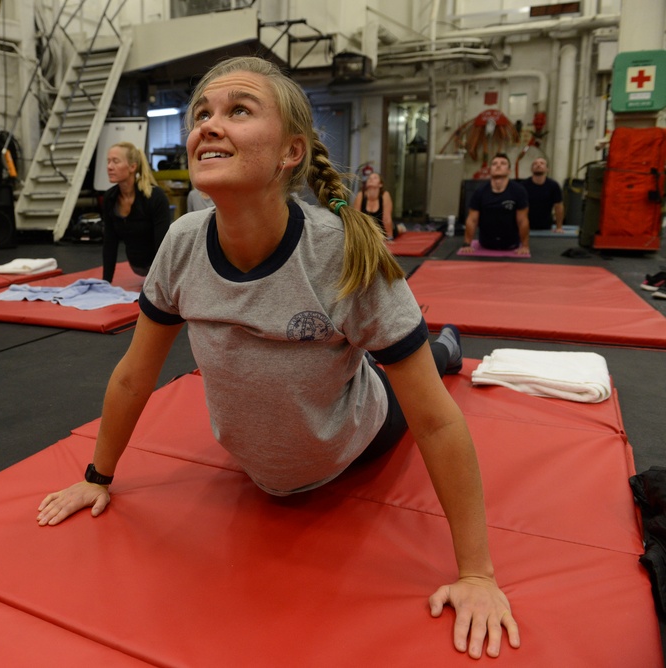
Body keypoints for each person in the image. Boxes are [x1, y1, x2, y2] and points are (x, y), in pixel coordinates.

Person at [37, 56, 519, 659]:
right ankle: (409, 349)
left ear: (291, 152)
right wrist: (96, 477)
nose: (209, 125)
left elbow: (437, 421)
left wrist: (477, 574)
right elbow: (136, 372)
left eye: (238, 110)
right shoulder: (183, 245)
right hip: (269, 454)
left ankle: (443, 347)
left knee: (419, 376)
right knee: (365, 358)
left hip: (355, 433)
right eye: (203, 114)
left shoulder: (339, 253)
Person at [101, 142, 172, 283]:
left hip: (161, 266)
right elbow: (109, 243)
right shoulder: (110, 198)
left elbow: (163, 245)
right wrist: (105, 283)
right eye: (108, 161)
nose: (109, 167)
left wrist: (162, 283)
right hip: (137, 266)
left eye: (115, 161)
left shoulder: (155, 197)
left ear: (132, 167)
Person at [463, 154, 529, 254]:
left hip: (511, 244)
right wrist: (467, 244)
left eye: (503, 163)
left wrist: (525, 246)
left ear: (509, 171)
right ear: (490, 170)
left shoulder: (519, 191)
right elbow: (472, 219)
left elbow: (522, 220)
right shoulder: (480, 191)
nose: (498, 166)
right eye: (494, 164)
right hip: (486, 244)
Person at [520, 157, 564, 232]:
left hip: (546, 226)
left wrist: (559, 227)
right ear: (531, 169)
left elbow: (558, 207)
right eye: (535, 164)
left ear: (547, 169)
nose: (538, 165)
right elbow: (518, 208)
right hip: (526, 226)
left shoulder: (553, 186)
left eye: (542, 163)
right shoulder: (523, 186)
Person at [351, 171, 395, 239]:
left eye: (375, 178)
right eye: (369, 178)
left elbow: (387, 219)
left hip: (382, 230)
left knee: (397, 229)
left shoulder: (385, 195)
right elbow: (356, 218)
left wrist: (390, 237)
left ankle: (400, 227)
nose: (371, 179)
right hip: (366, 230)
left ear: (380, 184)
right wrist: (357, 236)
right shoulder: (360, 195)